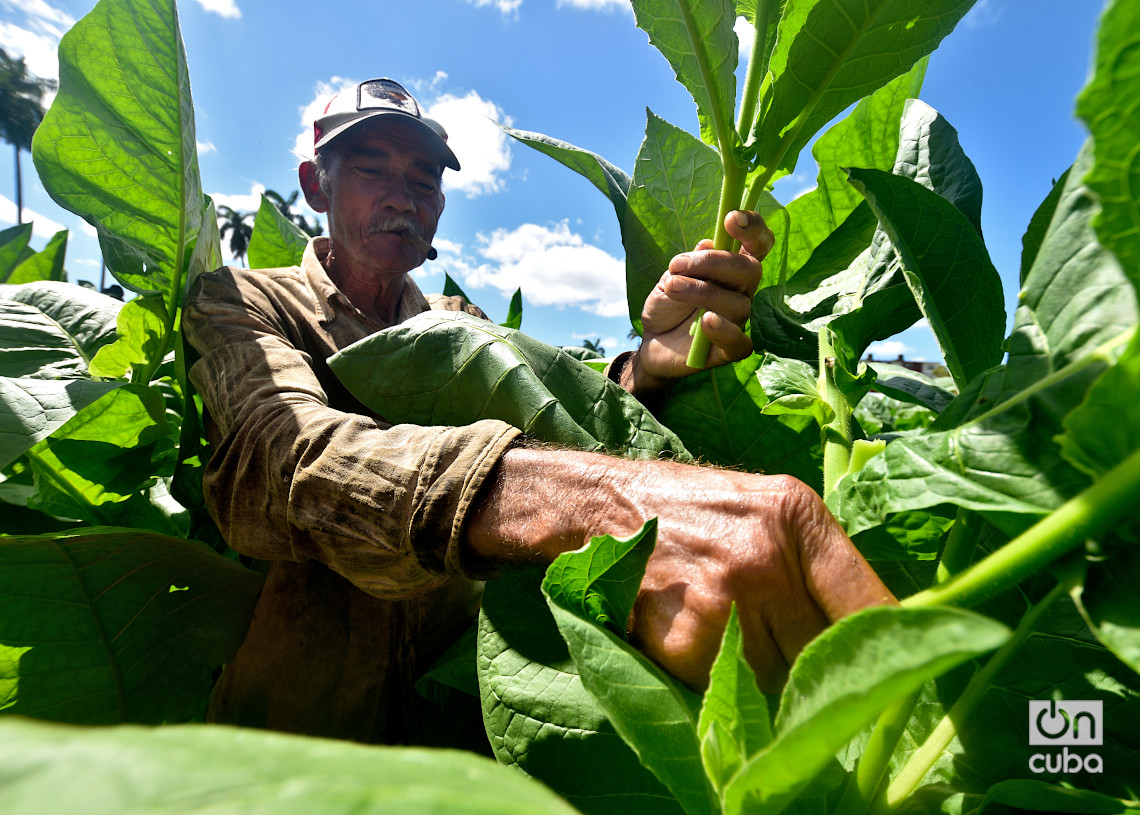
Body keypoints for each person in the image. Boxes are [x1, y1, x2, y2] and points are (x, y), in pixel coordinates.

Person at [182, 77, 892, 746]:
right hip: (296, 742)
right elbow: (278, 458)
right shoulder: (242, 302)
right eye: (372, 169)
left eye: (423, 179)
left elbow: (547, 411)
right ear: (317, 184)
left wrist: (648, 365)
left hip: (463, 731)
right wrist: (603, 504)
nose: (403, 196)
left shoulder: (459, 324)